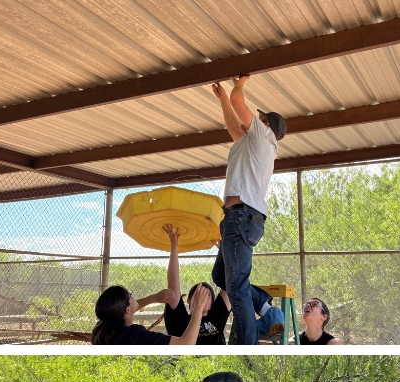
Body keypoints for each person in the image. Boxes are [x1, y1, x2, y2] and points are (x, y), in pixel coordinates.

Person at [210, 76, 287, 345]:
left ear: (266, 125)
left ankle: (248, 344)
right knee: (220, 277)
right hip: (237, 217)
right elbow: (233, 124)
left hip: (242, 216)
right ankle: (265, 308)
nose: (254, 120)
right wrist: (222, 101)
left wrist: (240, 85)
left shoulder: (264, 138)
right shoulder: (251, 144)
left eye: (260, 119)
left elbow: (237, 101)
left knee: (237, 288)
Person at [162, 226, 286, 344]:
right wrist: (174, 247)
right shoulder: (180, 320)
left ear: (212, 304)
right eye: (199, 292)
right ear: (189, 300)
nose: (205, 295)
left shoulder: (216, 316)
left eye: (209, 295)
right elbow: (173, 284)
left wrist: (224, 252)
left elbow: (231, 281)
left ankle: (266, 309)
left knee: (233, 283)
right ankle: (265, 307)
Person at [91, 284, 211, 345]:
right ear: (127, 310)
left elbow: (129, 308)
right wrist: (198, 309)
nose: (133, 295)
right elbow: (186, 344)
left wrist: (154, 298)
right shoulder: (136, 335)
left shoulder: (102, 328)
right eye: (130, 294)